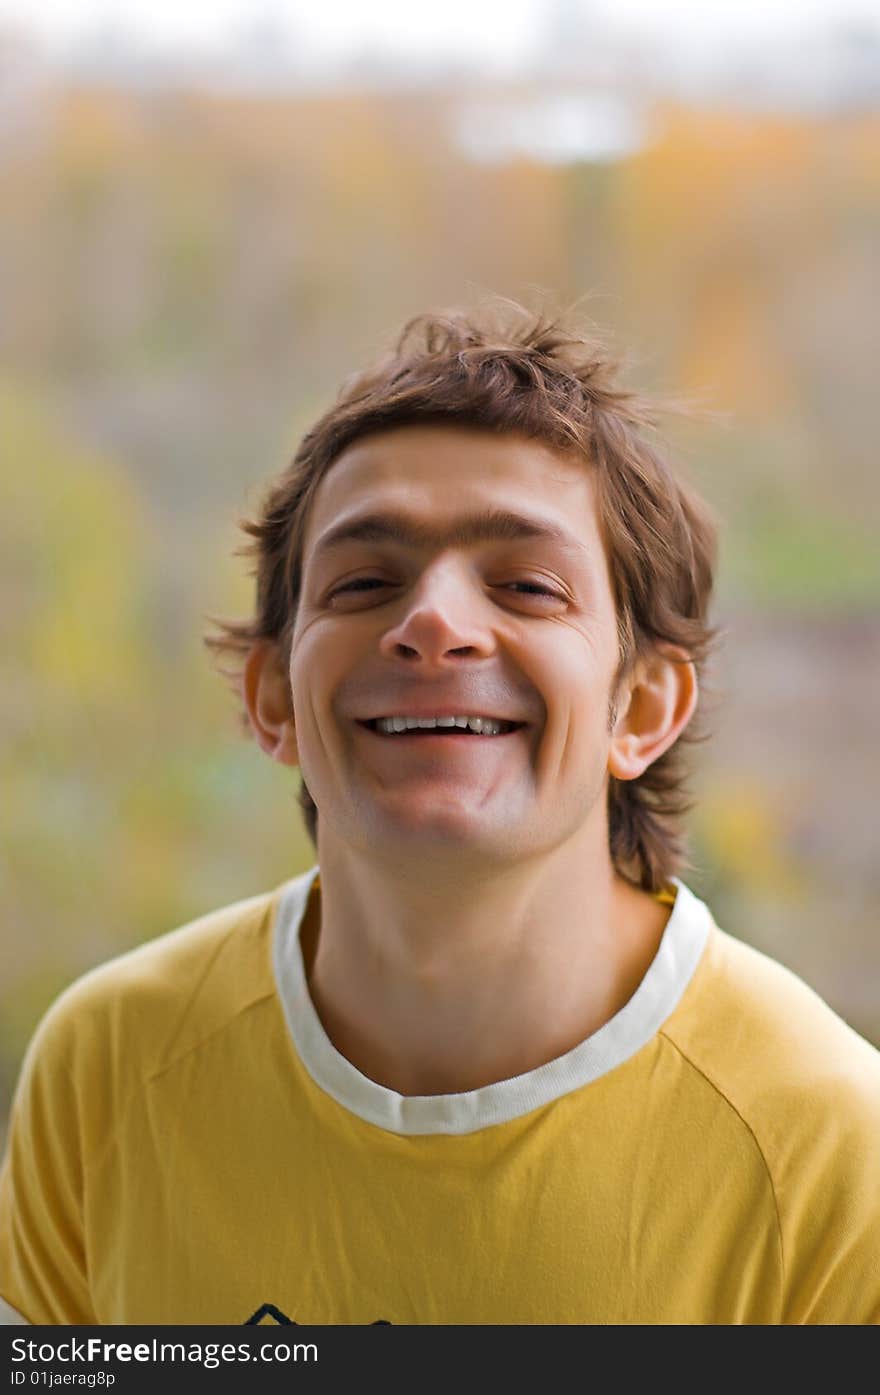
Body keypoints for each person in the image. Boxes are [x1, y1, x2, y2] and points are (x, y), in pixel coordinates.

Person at [1, 301, 878, 1327]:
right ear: (272, 696)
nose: (431, 624)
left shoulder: (828, 1142)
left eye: (526, 585)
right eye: (366, 580)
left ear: (640, 708)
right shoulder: (107, 1067)